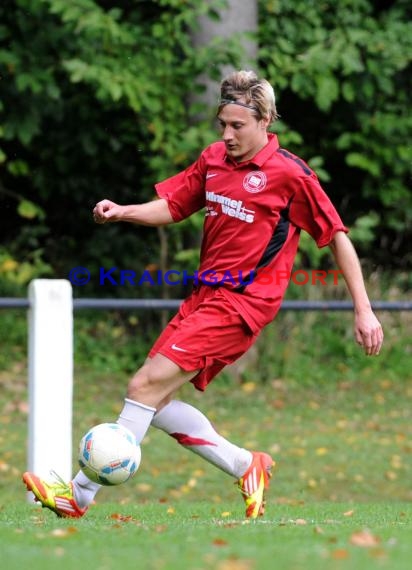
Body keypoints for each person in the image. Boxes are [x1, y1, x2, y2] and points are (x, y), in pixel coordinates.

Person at [23, 70, 383, 519]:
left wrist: (363, 310)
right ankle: (245, 465)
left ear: (265, 120)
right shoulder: (214, 159)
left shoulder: (290, 175)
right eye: (223, 125)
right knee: (154, 401)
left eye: (238, 126)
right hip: (204, 297)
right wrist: (122, 212)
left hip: (243, 304)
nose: (227, 135)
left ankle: (77, 496)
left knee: (143, 385)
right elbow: (174, 205)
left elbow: (337, 236)